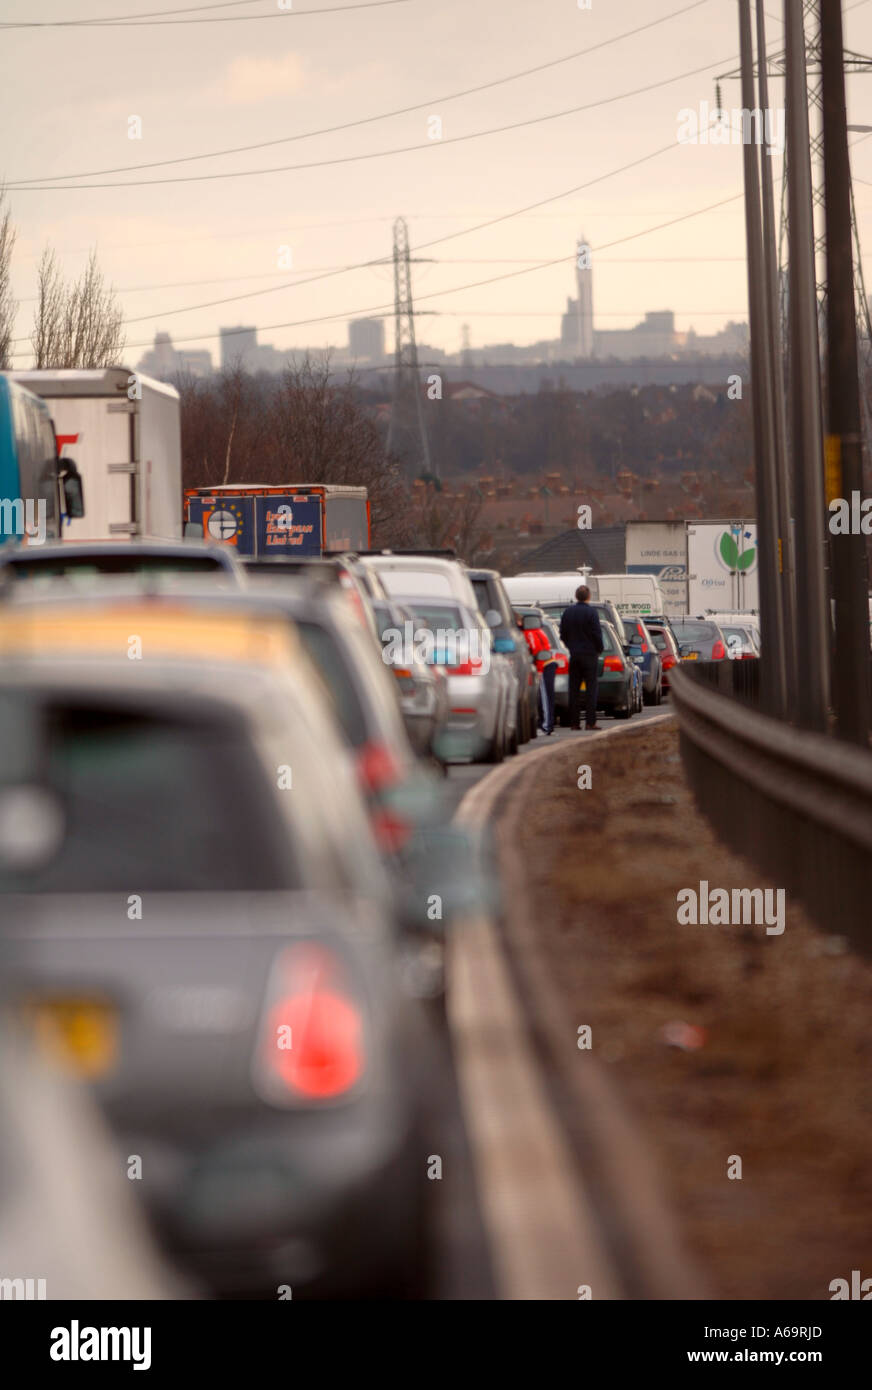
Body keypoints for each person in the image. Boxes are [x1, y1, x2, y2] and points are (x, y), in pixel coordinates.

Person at [559, 585, 603, 730]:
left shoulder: (568, 612)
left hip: (574, 654)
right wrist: (599, 649)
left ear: (576, 596)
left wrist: (570, 646)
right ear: (588, 596)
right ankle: (590, 722)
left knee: (574, 689)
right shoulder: (592, 612)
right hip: (590, 654)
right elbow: (597, 633)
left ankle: (574, 722)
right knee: (591, 689)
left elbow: (562, 634)